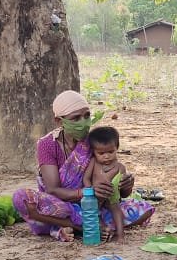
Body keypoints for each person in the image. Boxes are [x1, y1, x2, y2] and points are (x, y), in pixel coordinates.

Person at [12, 90, 155, 241]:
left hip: (94, 206)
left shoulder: (94, 141)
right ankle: (83, 226)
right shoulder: (47, 144)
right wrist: (87, 192)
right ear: (59, 121)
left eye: (87, 115)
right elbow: (52, 189)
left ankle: (72, 225)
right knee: (22, 198)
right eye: (76, 118)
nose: (83, 122)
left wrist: (125, 185)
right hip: (60, 205)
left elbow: (118, 190)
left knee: (143, 210)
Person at [82, 126, 127, 242]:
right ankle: (102, 229)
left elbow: (123, 186)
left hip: (112, 195)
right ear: (93, 152)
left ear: (117, 148)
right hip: (96, 196)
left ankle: (120, 235)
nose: (106, 156)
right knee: (92, 211)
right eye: (101, 153)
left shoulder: (120, 167)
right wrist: (90, 191)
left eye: (111, 152)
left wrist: (123, 184)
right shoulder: (93, 162)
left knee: (117, 210)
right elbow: (86, 178)